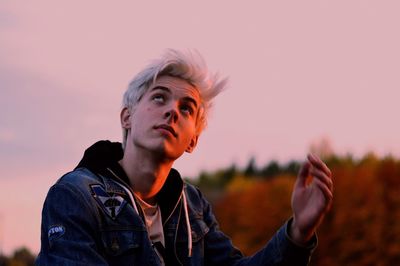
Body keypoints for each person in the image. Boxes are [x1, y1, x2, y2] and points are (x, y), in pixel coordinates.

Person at [36, 49, 333, 265]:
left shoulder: (193, 207)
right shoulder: (75, 196)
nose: (172, 111)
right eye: (159, 97)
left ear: (193, 140)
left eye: (187, 108)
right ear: (127, 117)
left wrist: (298, 231)